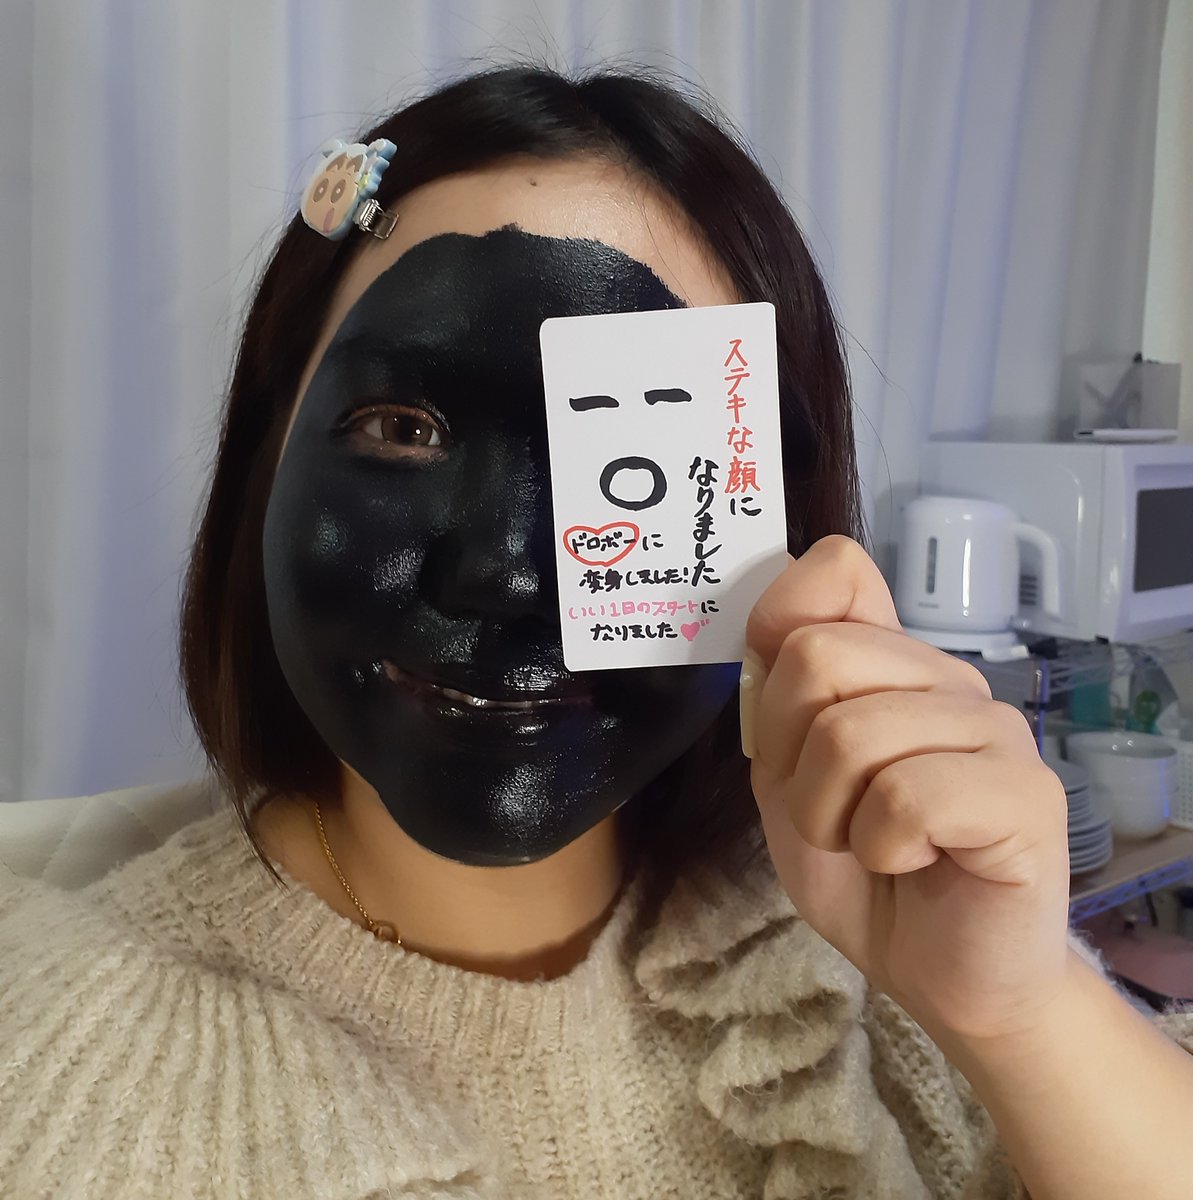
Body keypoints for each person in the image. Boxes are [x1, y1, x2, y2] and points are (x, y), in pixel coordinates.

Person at [1, 64, 1191, 1200]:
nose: (506, 573)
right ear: (264, 462)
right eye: (402, 427)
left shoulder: (883, 954)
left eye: (638, 448)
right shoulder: (49, 1069)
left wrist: (1019, 1014)